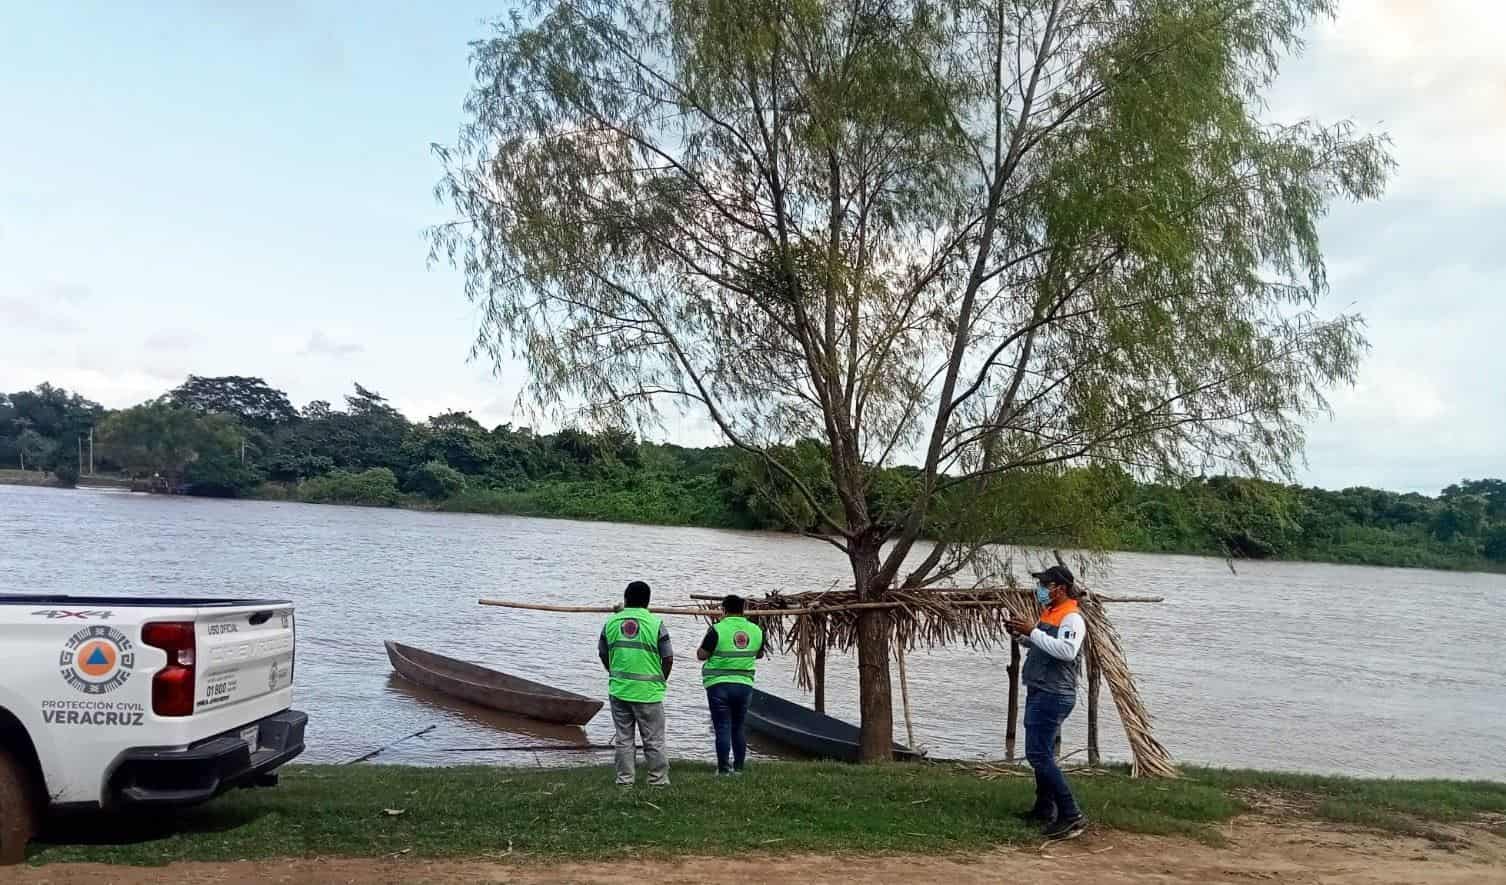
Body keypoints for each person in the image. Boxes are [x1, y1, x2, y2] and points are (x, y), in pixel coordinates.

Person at [1006, 564, 1089, 839]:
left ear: (1061, 588)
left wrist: (1033, 631)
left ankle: (1071, 814)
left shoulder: (1072, 618)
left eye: (1046, 585)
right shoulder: (1052, 612)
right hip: (1041, 689)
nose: (1041, 589)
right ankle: (1044, 808)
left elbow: (1066, 651)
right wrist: (1022, 635)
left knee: (1038, 754)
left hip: (1054, 693)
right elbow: (1043, 643)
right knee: (1043, 753)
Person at [598, 580, 673, 787]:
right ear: (648, 601)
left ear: (625, 598)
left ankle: (625, 781)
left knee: (623, 739)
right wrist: (661, 679)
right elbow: (667, 658)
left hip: (620, 690)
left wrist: (613, 672)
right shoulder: (656, 624)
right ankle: (657, 781)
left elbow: (603, 652)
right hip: (649, 692)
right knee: (654, 740)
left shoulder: (611, 623)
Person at [696, 594, 765, 775]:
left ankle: (724, 770)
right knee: (738, 727)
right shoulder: (756, 630)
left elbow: (701, 655)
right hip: (744, 686)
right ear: (743, 610)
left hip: (718, 685)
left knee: (722, 727)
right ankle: (739, 768)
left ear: (723, 610)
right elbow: (759, 654)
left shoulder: (717, 629)